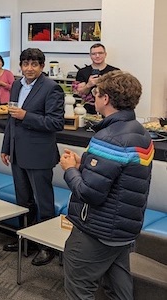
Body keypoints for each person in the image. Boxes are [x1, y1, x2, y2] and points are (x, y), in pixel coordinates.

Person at [60, 70, 153, 300]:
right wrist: (85, 165)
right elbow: (122, 177)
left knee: (79, 290)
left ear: (106, 99)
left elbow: (90, 193)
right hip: (122, 229)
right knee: (118, 291)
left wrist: (70, 169)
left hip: (97, 231)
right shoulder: (141, 133)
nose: (94, 97)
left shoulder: (109, 137)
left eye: (96, 92)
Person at [0, 48, 64, 266]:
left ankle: (47, 246)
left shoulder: (51, 88)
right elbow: (11, 119)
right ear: (20, 65)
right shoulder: (17, 85)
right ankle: (25, 240)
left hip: (39, 154)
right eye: (25, 64)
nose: (29, 68)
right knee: (23, 200)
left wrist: (27, 116)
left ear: (41, 66)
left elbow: (56, 123)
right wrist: (6, 146)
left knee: (43, 203)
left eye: (34, 65)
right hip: (18, 153)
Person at [72, 43, 120, 114]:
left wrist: (104, 84)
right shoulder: (82, 72)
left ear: (105, 54)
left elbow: (119, 93)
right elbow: (79, 94)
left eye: (100, 53)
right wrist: (88, 85)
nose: (97, 56)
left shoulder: (115, 72)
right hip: (87, 110)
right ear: (90, 56)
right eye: (94, 54)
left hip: (109, 110)